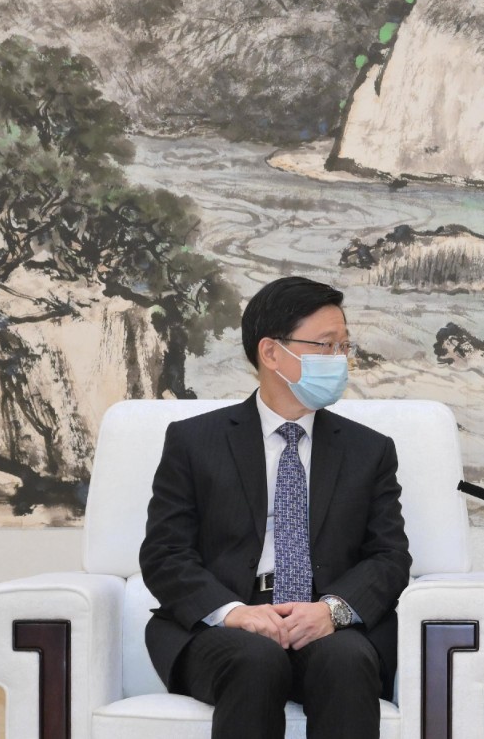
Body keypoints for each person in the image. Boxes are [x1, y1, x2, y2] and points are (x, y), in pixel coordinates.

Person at [140, 276, 411, 739]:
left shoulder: (370, 450)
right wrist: (234, 612)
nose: (340, 360)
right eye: (326, 345)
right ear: (271, 352)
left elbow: (389, 556)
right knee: (255, 659)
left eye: (344, 346)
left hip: (326, 622)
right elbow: (165, 553)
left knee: (345, 659)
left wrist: (332, 611)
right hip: (224, 626)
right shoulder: (194, 441)